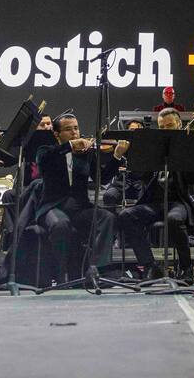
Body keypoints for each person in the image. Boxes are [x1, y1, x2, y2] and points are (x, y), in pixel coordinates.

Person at [33, 113, 124, 285]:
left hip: (79, 208)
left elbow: (102, 178)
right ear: (56, 134)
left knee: (108, 218)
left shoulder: (86, 153)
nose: (75, 133)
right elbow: (44, 160)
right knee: (61, 225)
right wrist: (70, 145)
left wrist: (116, 156)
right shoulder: (46, 150)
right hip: (53, 207)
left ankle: (96, 269)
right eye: (68, 129)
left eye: (76, 128)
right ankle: (61, 275)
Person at [116, 107, 194, 279]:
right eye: (162, 127)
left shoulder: (189, 146)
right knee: (126, 216)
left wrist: (180, 157)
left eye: (170, 126)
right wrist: (137, 156)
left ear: (179, 124)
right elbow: (140, 175)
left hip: (178, 202)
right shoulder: (153, 146)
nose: (165, 130)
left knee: (174, 219)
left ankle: (186, 268)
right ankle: (149, 266)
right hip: (155, 203)